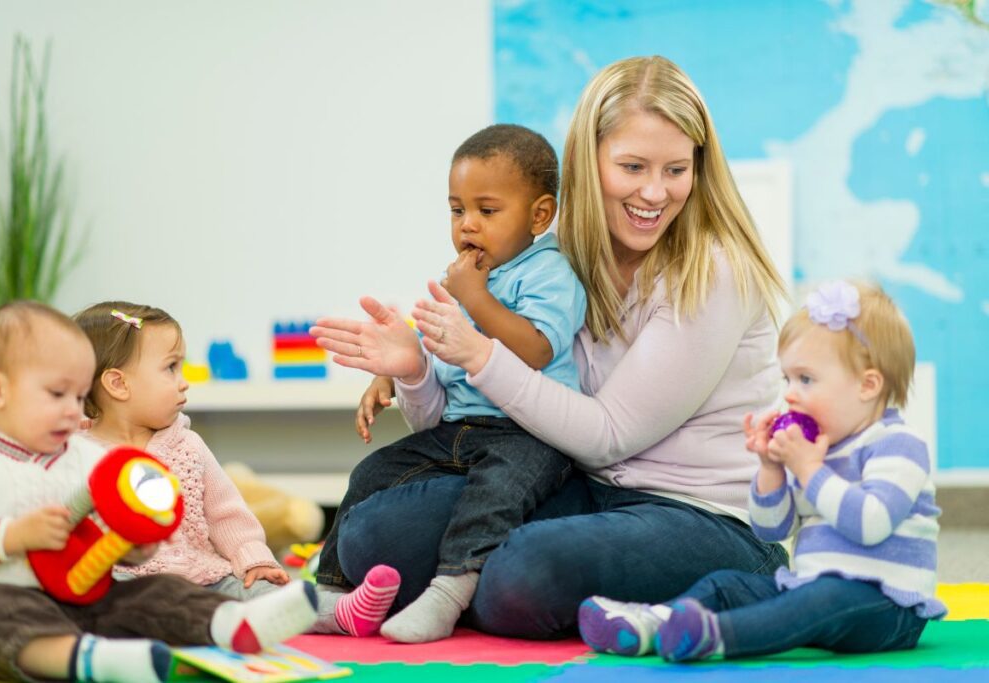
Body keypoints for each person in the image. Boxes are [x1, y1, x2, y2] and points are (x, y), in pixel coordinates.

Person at [309, 55, 789, 640]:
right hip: (582, 487)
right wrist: (414, 369)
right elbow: (457, 412)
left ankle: (741, 585)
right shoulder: (553, 257)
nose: (655, 192)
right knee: (372, 539)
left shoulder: (714, 271)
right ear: (590, 165)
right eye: (632, 166)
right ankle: (479, 589)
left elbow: (610, 433)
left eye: (676, 170)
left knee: (524, 573)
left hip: (700, 513)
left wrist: (481, 354)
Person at [312, 123, 587, 643]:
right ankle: (331, 592)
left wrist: (476, 297)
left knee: (493, 496)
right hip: (461, 429)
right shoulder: (468, 279)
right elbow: (442, 356)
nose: (468, 226)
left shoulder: (547, 273)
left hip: (528, 436)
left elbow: (535, 349)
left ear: (539, 215)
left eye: (487, 211)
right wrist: (394, 374)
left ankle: (450, 591)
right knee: (374, 470)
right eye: (458, 210)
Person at [579, 280, 944, 661]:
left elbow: (871, 523)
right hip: (810, 588)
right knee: (727, 585)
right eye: (787, 378)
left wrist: (809, 470)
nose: (789, 393)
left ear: (867, 385)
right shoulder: (816, 451)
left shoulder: (898, 445)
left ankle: (716, 637)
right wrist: (771, 468)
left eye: (806, 379)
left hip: (888, 605)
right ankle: (654, 623)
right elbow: (772, 530)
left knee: (823, 597)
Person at [0, 301, 318, 683]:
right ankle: (85, 660)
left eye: (79, 396)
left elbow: (108, 533)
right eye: (57, 394)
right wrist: (14, 535)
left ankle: (230, 623)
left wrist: (135, 544)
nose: (73, 410)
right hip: (15, 603)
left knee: (157, 590)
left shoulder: (84, 457)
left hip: (90, 600)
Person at [75, 301, 290, 600]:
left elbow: (226, 515)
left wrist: (254, 560)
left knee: (271, 594)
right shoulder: (74, 455)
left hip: (203, 578)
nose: (184, 382)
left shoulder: (187, 445)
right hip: (123, 583)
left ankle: (342, 611)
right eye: (171, 368)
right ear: (118, 384)